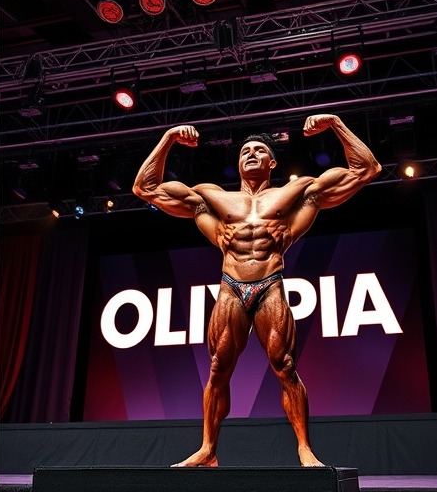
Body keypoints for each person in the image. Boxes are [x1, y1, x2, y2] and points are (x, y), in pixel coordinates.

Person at [132, 114, 381, 467]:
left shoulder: (298, 193)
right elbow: (144, 188)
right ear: (238, 161)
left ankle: (305, 449)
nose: (250, 153)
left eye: (259, 150)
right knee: (218, 368)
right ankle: (208, 450)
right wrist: (169, 138)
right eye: (245, 150)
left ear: (272, 161)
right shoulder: (210, 198)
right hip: (230, 287)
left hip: (270, 284)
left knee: (285, 366)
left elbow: (366, 169)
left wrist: (337, 123)